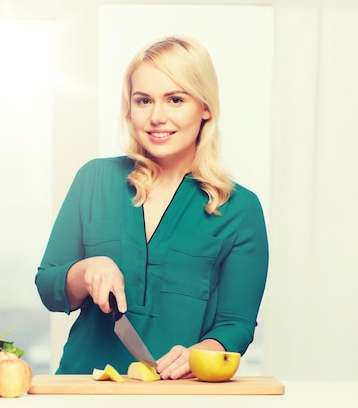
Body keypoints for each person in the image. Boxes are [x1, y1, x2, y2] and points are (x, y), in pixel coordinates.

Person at [35, 35, 268, 380]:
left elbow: (236, 324)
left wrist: (201, 353)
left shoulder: (239, 208)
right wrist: (86, 271)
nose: (157, 116)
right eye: (143, 100)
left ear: (205, 107)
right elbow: (48, 287)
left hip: (180, 395)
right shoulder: (94, 180)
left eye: (175, 99)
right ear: (129, 109)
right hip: (83, 388)